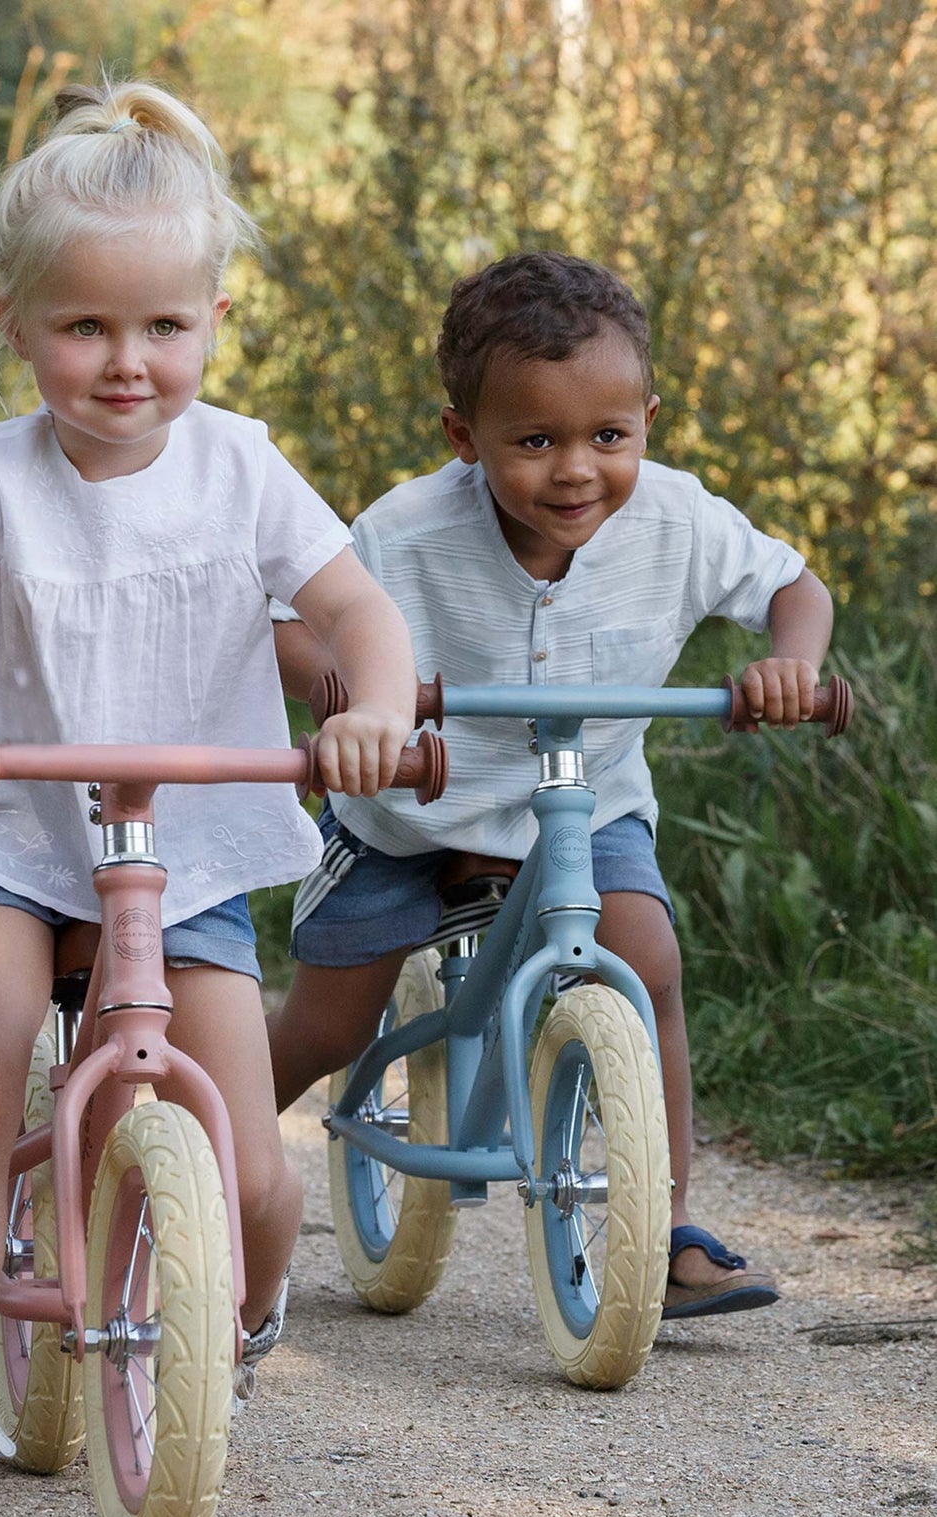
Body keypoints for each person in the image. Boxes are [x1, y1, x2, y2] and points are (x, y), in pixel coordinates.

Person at [0, 81, 418, 1517]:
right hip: (12, 831)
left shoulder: (244, 465)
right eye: (82, 327)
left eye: (162, 326)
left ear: (213, 318)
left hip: (193, 849)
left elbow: (356, 608)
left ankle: (234, 1308)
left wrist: (378, 708)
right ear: (12, 323)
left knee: (251, 1170)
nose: (124, 361)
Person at [266, 250, 834, 1320]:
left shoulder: (675, 520)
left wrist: (787, 664)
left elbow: (792, 586)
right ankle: (201, 1165)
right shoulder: (404, 531)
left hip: (585, 803)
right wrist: (344, 704)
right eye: (533, 440)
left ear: (647, 421)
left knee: (647, 959)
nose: (574, 469)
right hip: (409, 809)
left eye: (606, 436)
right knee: (330, 1022)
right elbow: (299, 626)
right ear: (460, 438)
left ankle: (662, 1227)